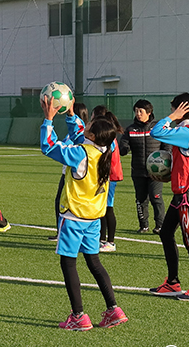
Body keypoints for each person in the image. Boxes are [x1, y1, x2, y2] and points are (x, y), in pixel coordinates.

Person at [40, 95, 128, 331]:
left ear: (91, 136)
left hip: (74, 217)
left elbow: (48, 146)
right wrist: (69, 114)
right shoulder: (104, 150)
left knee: (68, 264)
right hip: (93, 218)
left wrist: (48, 119)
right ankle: (113, 309)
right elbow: (80, 132)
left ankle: (78, 315)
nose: (84, 124)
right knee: (94, 262)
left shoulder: (81, 154)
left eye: (87, 126)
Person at [148, 93, 189, 301]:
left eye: (175, 108)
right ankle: (173, 282)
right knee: (166, 233)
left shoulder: (185, 131)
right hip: (182, 191)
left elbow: (156, 131)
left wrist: (172, 116)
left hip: (188, 193)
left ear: (182, 109)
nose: (173, 111)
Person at [118, 100, 166, 234]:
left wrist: (166, 161)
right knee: (141, 199)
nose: (138, 114)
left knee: (156, 197)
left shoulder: (157, 128)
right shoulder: (131, 129)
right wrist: (123, 146)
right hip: (138, 171)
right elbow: (123, 148)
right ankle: (143, 225)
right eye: (136, 111)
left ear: (149, 113)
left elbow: (167, 146)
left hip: (157, 172)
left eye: (141, 111)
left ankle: (160, 225)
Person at [48, 101, 89, 242]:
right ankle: (61, 232)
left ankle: (64, 233)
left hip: (73, 176)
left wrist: (48, 120)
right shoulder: (80, 134)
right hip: (68, 174)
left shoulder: (82, 138)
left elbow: (51, 147)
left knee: (66, 204)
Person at [90, 106, 124, 253]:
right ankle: (101, 239)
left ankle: (110, 241)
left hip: (110, 177)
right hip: (105, 176)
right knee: (101, 208)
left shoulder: (109, 139)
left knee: (108, 208)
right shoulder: (108, 138)